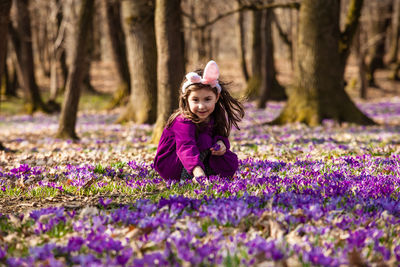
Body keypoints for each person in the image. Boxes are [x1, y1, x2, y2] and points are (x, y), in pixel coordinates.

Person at [154, 60, 244, 181]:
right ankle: (189, 178)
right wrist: (199, 173)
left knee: (228, 159)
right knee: (204, 140)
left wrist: (222, 144)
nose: (201, 106)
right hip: (172, 164)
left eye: (207, 99)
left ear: (216, 97)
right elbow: (186, 147)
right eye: (195, 100)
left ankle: (205, 174)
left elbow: (219, 135)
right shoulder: (183, 120)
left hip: (195, 159)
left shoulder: (215, 115)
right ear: (187, 99)